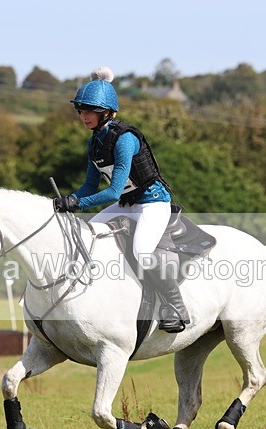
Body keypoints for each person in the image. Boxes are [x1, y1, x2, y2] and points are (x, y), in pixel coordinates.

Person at [53, 67, 190, 333]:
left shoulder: (124, 139)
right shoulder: (94, 143)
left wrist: (78, 204)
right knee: (86, 235)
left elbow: (114, 192)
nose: (83, 116)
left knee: (141, 251)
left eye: (89, 110)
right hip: (128, 204)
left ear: (106, 112)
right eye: (81, 110)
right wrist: (67, 200)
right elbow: (89, 186)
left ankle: (176, 308)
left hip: (152, 202)